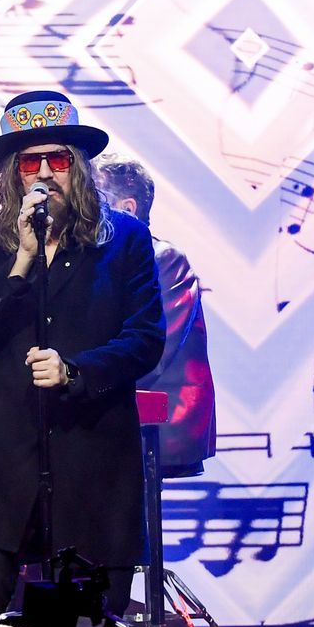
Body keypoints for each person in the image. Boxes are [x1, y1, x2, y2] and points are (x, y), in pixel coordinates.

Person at [0, 93, 164, 627]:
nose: (44, 173)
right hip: (3, 459)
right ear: (11, 175)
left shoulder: (124, 241)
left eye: (58, 160)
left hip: (92, 456)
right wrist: (21, 260)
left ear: (78, 166)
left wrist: (76, 370)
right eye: (29, 162)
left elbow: (146, 340)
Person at [93, 156, 217, 479]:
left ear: (128, 208)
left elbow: (151, 352)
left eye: (93, 196)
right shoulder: (98, 260)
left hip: (155, 421)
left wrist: (81, 387)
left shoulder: (164, 259)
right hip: (116, 412)